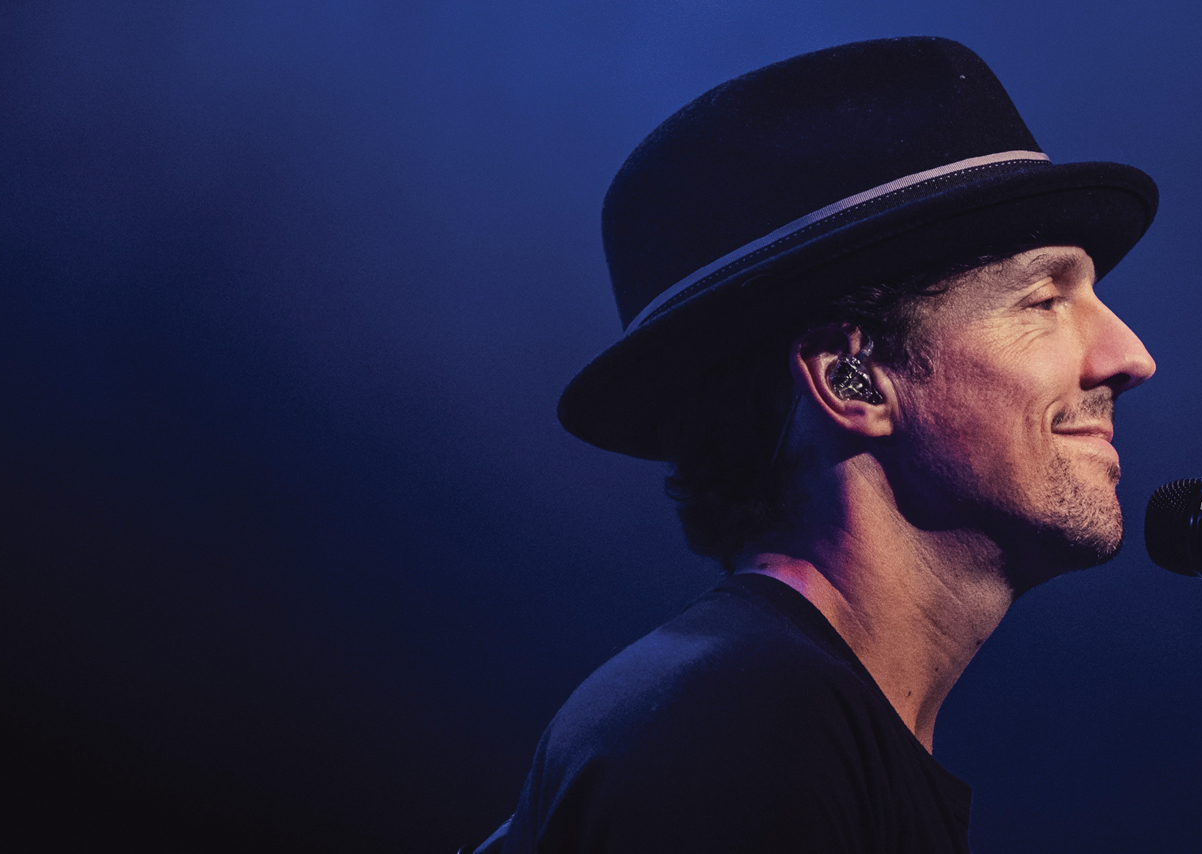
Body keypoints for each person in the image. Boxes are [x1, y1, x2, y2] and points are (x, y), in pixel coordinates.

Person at [474, 36, 1160, 853]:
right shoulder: (743, 729)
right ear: (851, 381)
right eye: (1044, 301)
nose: (1131, 357)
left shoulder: (768, 715)